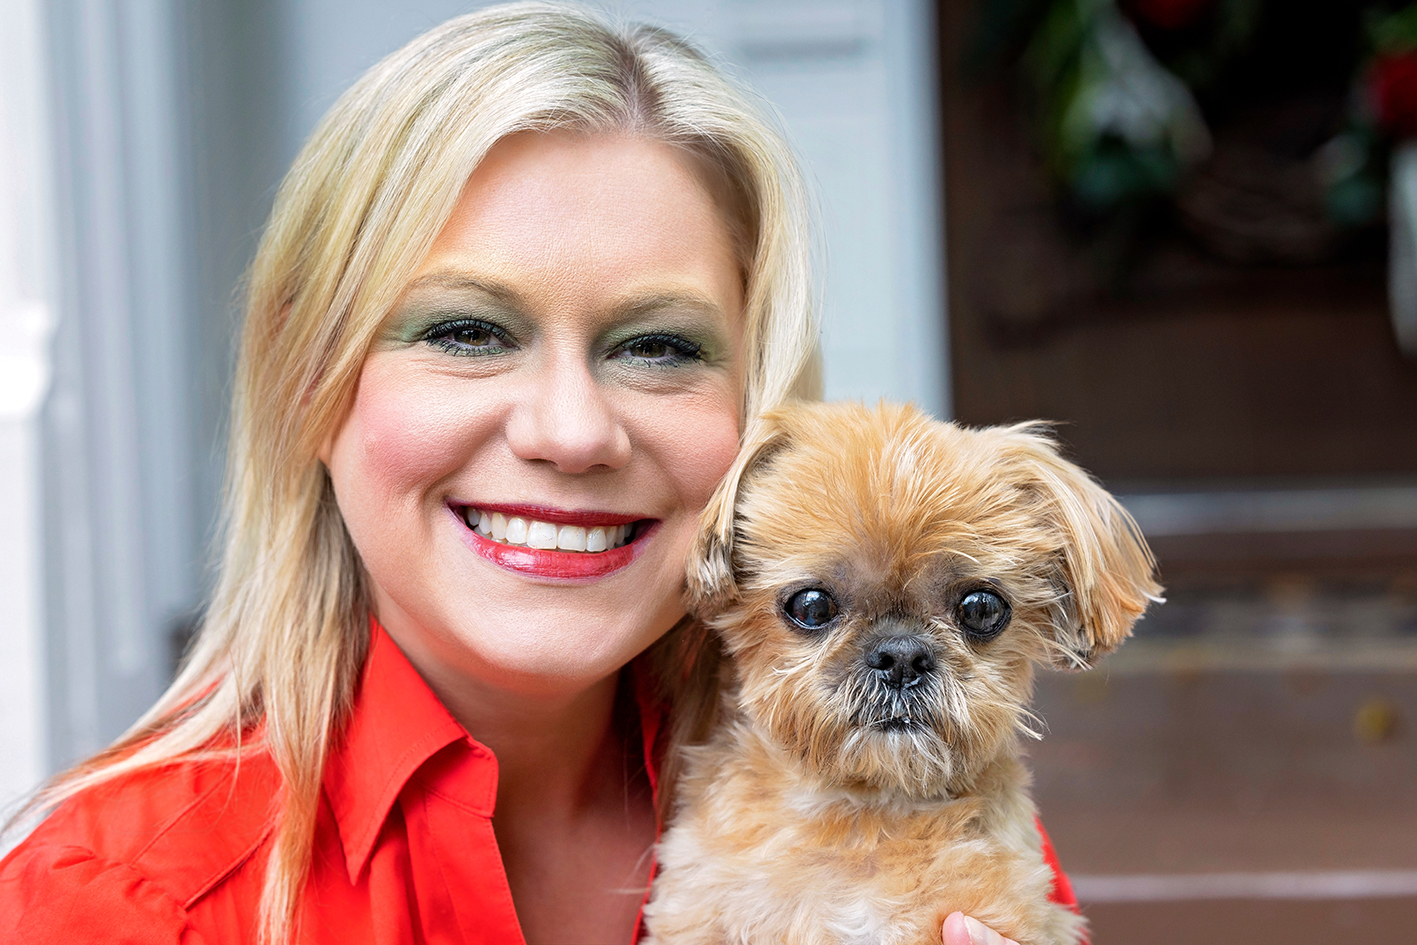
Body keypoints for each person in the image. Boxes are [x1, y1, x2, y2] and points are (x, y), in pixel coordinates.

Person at [0, 5, 1070, 943]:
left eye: (657, 347)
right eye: (467, 331)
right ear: (307, 380)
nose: (570, 431)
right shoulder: (115, 906)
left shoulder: (908, 797)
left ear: (756, 404)